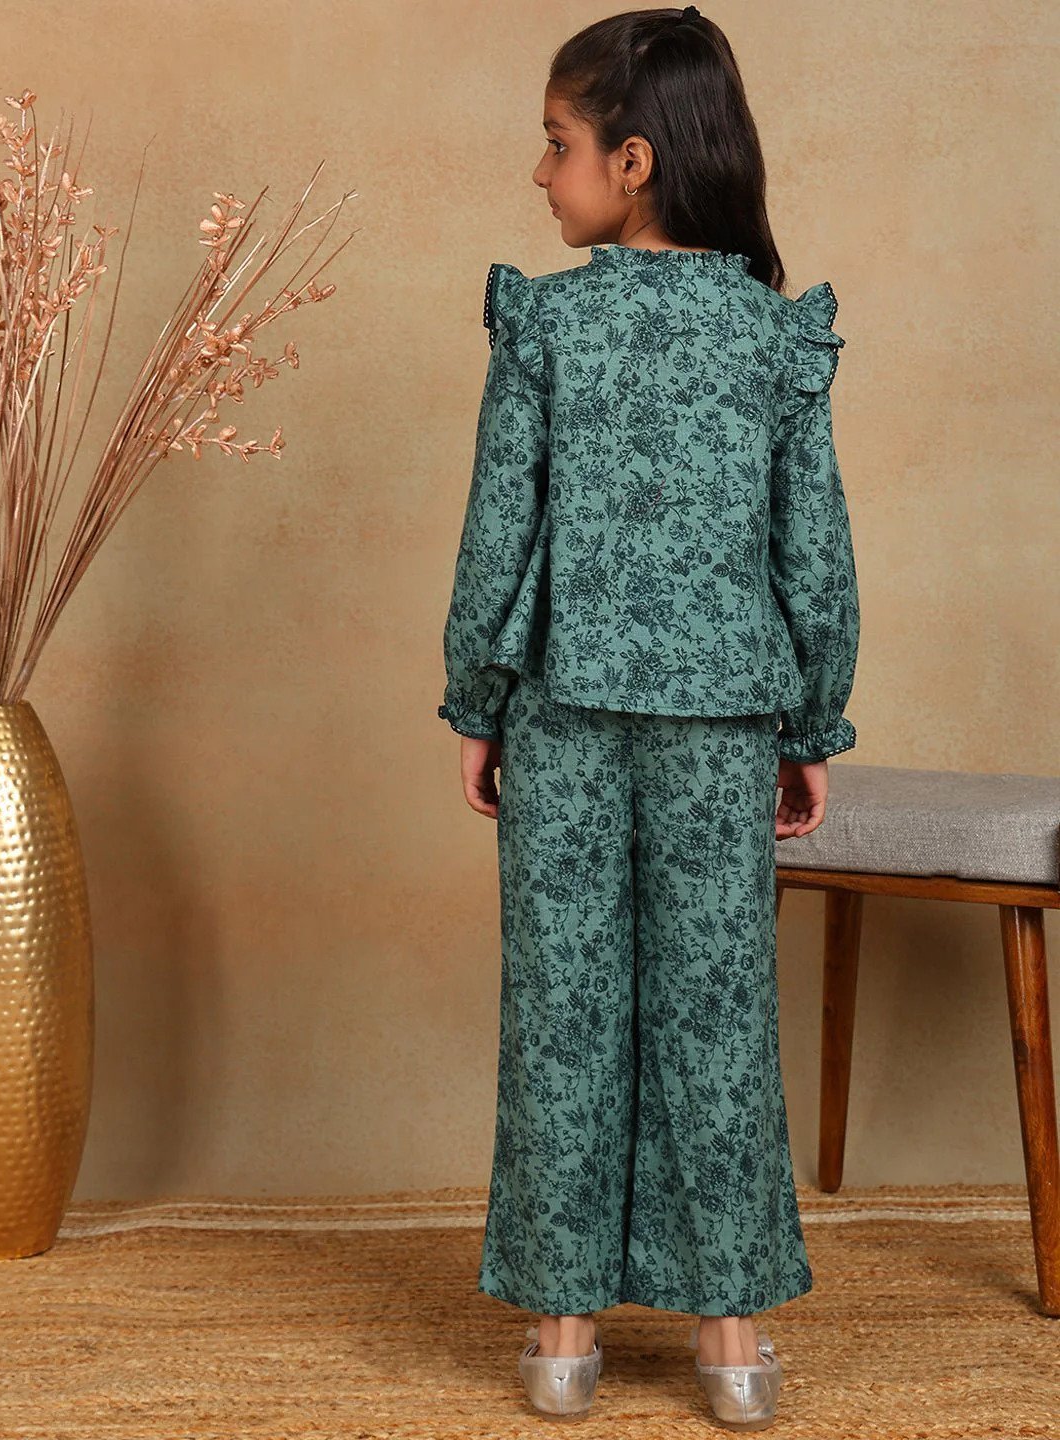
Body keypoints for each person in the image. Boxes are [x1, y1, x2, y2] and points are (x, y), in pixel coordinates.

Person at [437, 5, 860, 1429]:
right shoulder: (774, 337)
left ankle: (563, 1341)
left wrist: (478, 699)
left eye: (556, 145)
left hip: (561, 714)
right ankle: (730, 1347)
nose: (538, 172)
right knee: (718, 1014)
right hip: (724, 723)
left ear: (633, 161)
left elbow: (498, 534)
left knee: (562, 1011)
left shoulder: (546, 324)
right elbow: (817, 556)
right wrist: (810, 724)